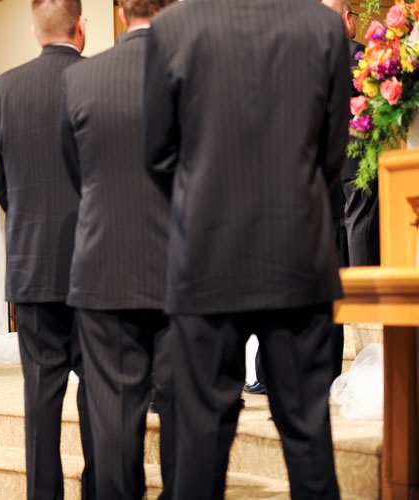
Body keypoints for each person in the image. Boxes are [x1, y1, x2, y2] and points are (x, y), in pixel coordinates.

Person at [143, 1, 350, 499]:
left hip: (207, 256)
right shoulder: (323, 25)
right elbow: (333, 150)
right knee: (308, 436)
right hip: (297, 254)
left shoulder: (174, 27)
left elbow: (156, 153)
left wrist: (201, 204)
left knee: (201, 440)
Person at [59, 0, 172, 497]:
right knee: (183, 412)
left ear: (121, 11)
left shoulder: (82, 77)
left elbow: (74, 171)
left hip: (105, 265)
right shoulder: (198, 69)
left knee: (116, 416)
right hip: (182, 267)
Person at [0, 1, 94, 498]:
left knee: (41, 394)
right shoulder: (98, 78)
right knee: (99, 390)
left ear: (34, 31)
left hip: (32, 261)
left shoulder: (3, 89)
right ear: (81, 26)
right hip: (94, 262)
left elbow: (2, 185)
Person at [323, 0, 380, 268]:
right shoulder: (356, 53)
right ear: (347, 17)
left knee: (337, 229)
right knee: (361, 222)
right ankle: (366, 292)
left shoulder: (313, 57)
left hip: (325, 157)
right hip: (356, 155)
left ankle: (344, 293)